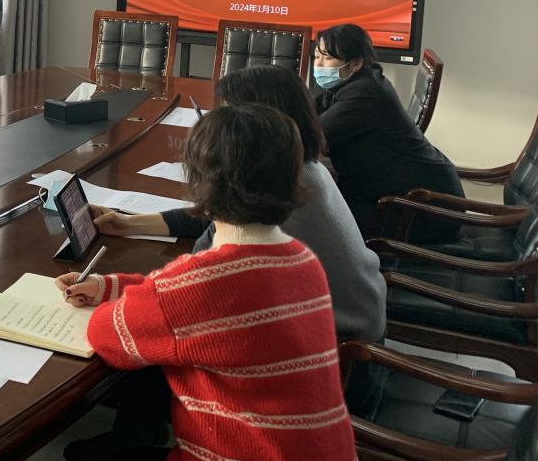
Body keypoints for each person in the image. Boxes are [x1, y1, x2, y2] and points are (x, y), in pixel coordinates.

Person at [52, 105, 363, 461]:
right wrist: (111, 286)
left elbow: (106, 335)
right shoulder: (300, 259)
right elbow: (181, 298)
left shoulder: (203, 284)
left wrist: (112, 298)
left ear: (200, 182)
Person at [99, 65, 385, 343]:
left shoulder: (280, 187)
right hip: (356, 316)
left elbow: (191, 281)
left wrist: (116, 288)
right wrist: (130, 223)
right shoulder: (299, 168)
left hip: (341, 341)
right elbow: (219, 218)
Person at [313, 23, 463, 242]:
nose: (318, 65)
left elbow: (310, 135)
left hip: (423, 211)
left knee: (315, 219)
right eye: (317, 56)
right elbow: (308, 111)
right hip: (399, 196)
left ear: (355, 63)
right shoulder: (357, 80)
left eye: (327, 58)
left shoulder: (365, 94)